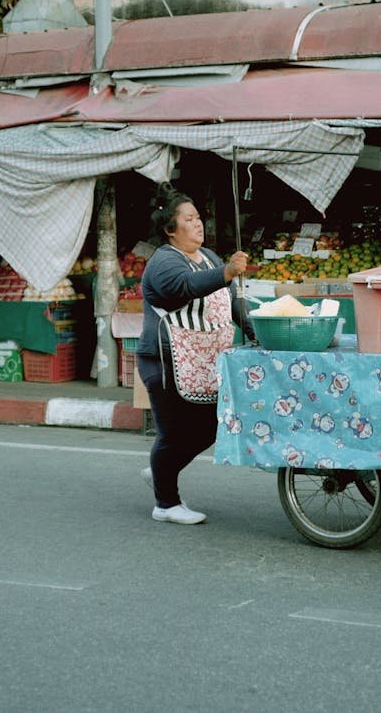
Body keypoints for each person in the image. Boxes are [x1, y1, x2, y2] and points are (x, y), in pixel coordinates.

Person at [137, 184, 252, 524]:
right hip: (164, 362)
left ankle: (161, 470)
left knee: (208, 428)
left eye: (199, 217)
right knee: (173, 434)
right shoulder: (163, 262)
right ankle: (166, 503)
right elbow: (184, 287)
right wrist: (226, 272)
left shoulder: (209, 257)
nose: (198, 224)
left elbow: (230, 302)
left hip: (203, 363)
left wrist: (257, 331)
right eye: (189, 219)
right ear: (170, 229)